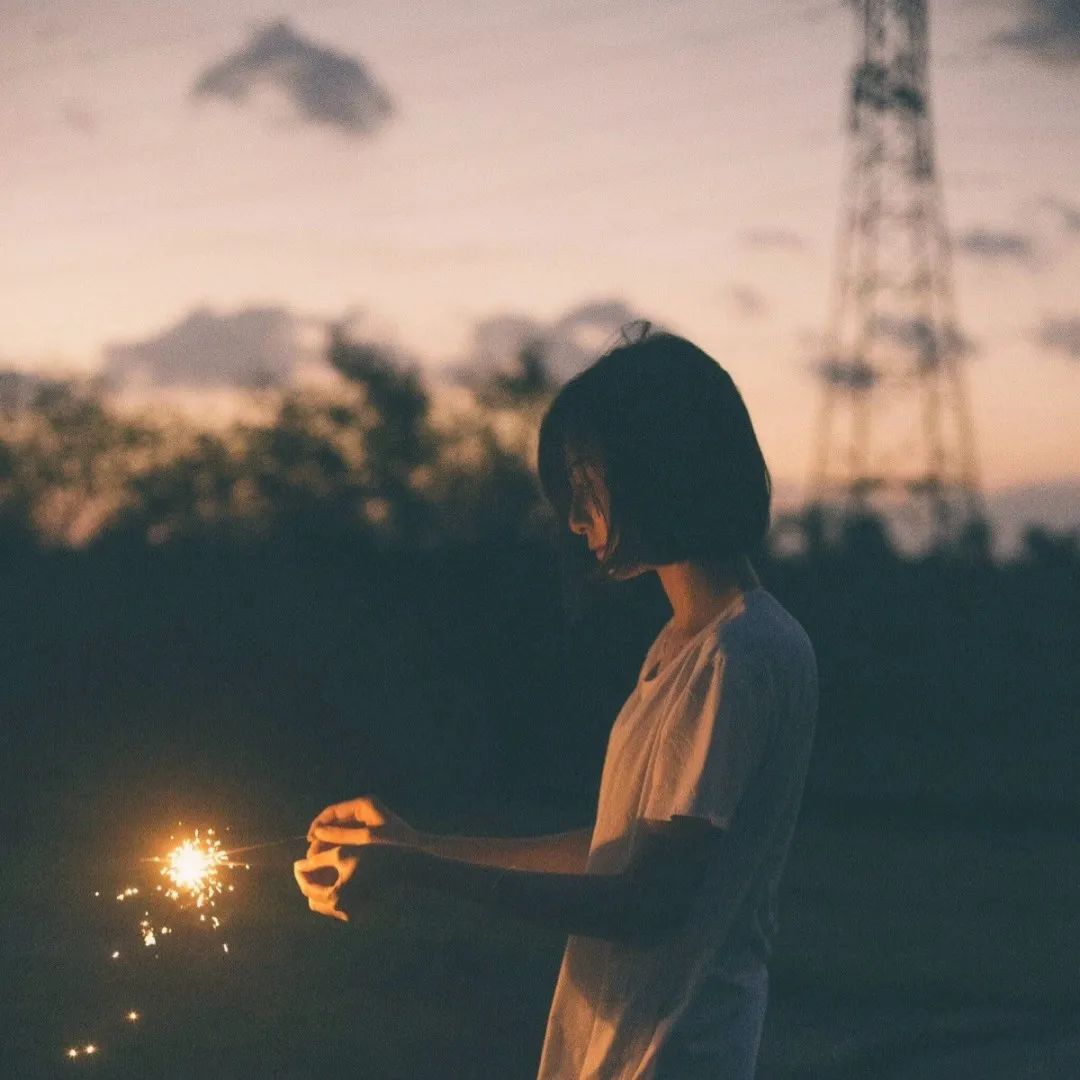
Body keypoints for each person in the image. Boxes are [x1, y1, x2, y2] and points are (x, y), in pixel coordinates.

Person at [294, 327, 819, 1079]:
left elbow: (648, 903)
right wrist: (416, 845)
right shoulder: (685, 645)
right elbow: (613, 852)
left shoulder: (741, 656)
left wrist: (422, 877)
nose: (576, 519)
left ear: (655, 470)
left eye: (587, 485)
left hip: (670, 1059)